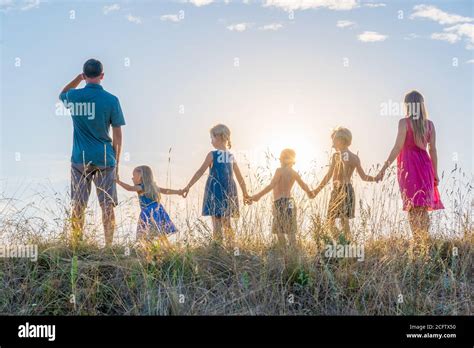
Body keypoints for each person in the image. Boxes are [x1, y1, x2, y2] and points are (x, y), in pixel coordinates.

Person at [59, 59, 125, 248]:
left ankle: (76, 245)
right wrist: (116, 161)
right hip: (105, 158)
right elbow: (118, 134)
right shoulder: (112, 100)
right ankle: (109, 246)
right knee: (107, 205)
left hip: (80, 158)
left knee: (78, 205)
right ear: (102, 76)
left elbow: (61, 93)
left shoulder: (74, 96)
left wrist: (77, 79)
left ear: (84, 75)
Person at [376, 90, 443, 246]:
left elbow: (397, 147)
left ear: (407, 105)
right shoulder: (430, 125)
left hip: (409, 168)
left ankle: (417, 242)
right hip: (425, 167)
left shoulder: (404, 123)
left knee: (412, 206)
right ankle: (424, 241)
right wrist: (435, 172)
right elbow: (433, 150)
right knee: (423, 207)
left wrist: (384, 168)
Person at [182, 124, 250, 246]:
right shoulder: (230, 156)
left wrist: (188, 186)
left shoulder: (212, 154)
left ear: (218, 137)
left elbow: (199, 172)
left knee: (217, 221)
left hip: (215, 189)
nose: (211, 141)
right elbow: (239, 178)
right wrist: (245, 193)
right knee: (226, 222)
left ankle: (218, 248)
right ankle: (231, 248)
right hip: (229, 189)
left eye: (211, 138)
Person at [311, 127, 378, 240]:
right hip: (349, 190)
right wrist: (375, 178)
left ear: (341, 140)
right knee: (344, 222)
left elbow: (328, 176)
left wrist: (316, 190)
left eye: (334, 139)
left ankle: (343, 243)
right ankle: (347, 244)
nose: (332, 142)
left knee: (330, 222)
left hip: (339, 190)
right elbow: (364, 177)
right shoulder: (355, 158)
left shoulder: (336, 156)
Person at [250, 149, 313, 251]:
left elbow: (272, 185)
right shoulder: (294, 173)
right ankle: (293, 251)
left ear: (283, 159)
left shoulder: (279, 171)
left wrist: (258, 195)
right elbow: (303, 185)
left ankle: (283, 252)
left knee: (279, 230)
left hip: (280, 202)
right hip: (290, 202)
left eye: (281, 158)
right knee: (291, 230)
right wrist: (310, 193)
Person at [116, 166, 182, 245]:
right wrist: (178, 192)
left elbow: (129, 188)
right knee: (160, 232)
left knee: (145, 234)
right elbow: (166, 191)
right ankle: (167, 247)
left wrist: (118, 181)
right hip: (158, 209)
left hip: (148, 211)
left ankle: (148, 249)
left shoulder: (141, 187)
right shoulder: (153, 187)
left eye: (134, 176)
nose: (132, 178)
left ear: (141, 176)